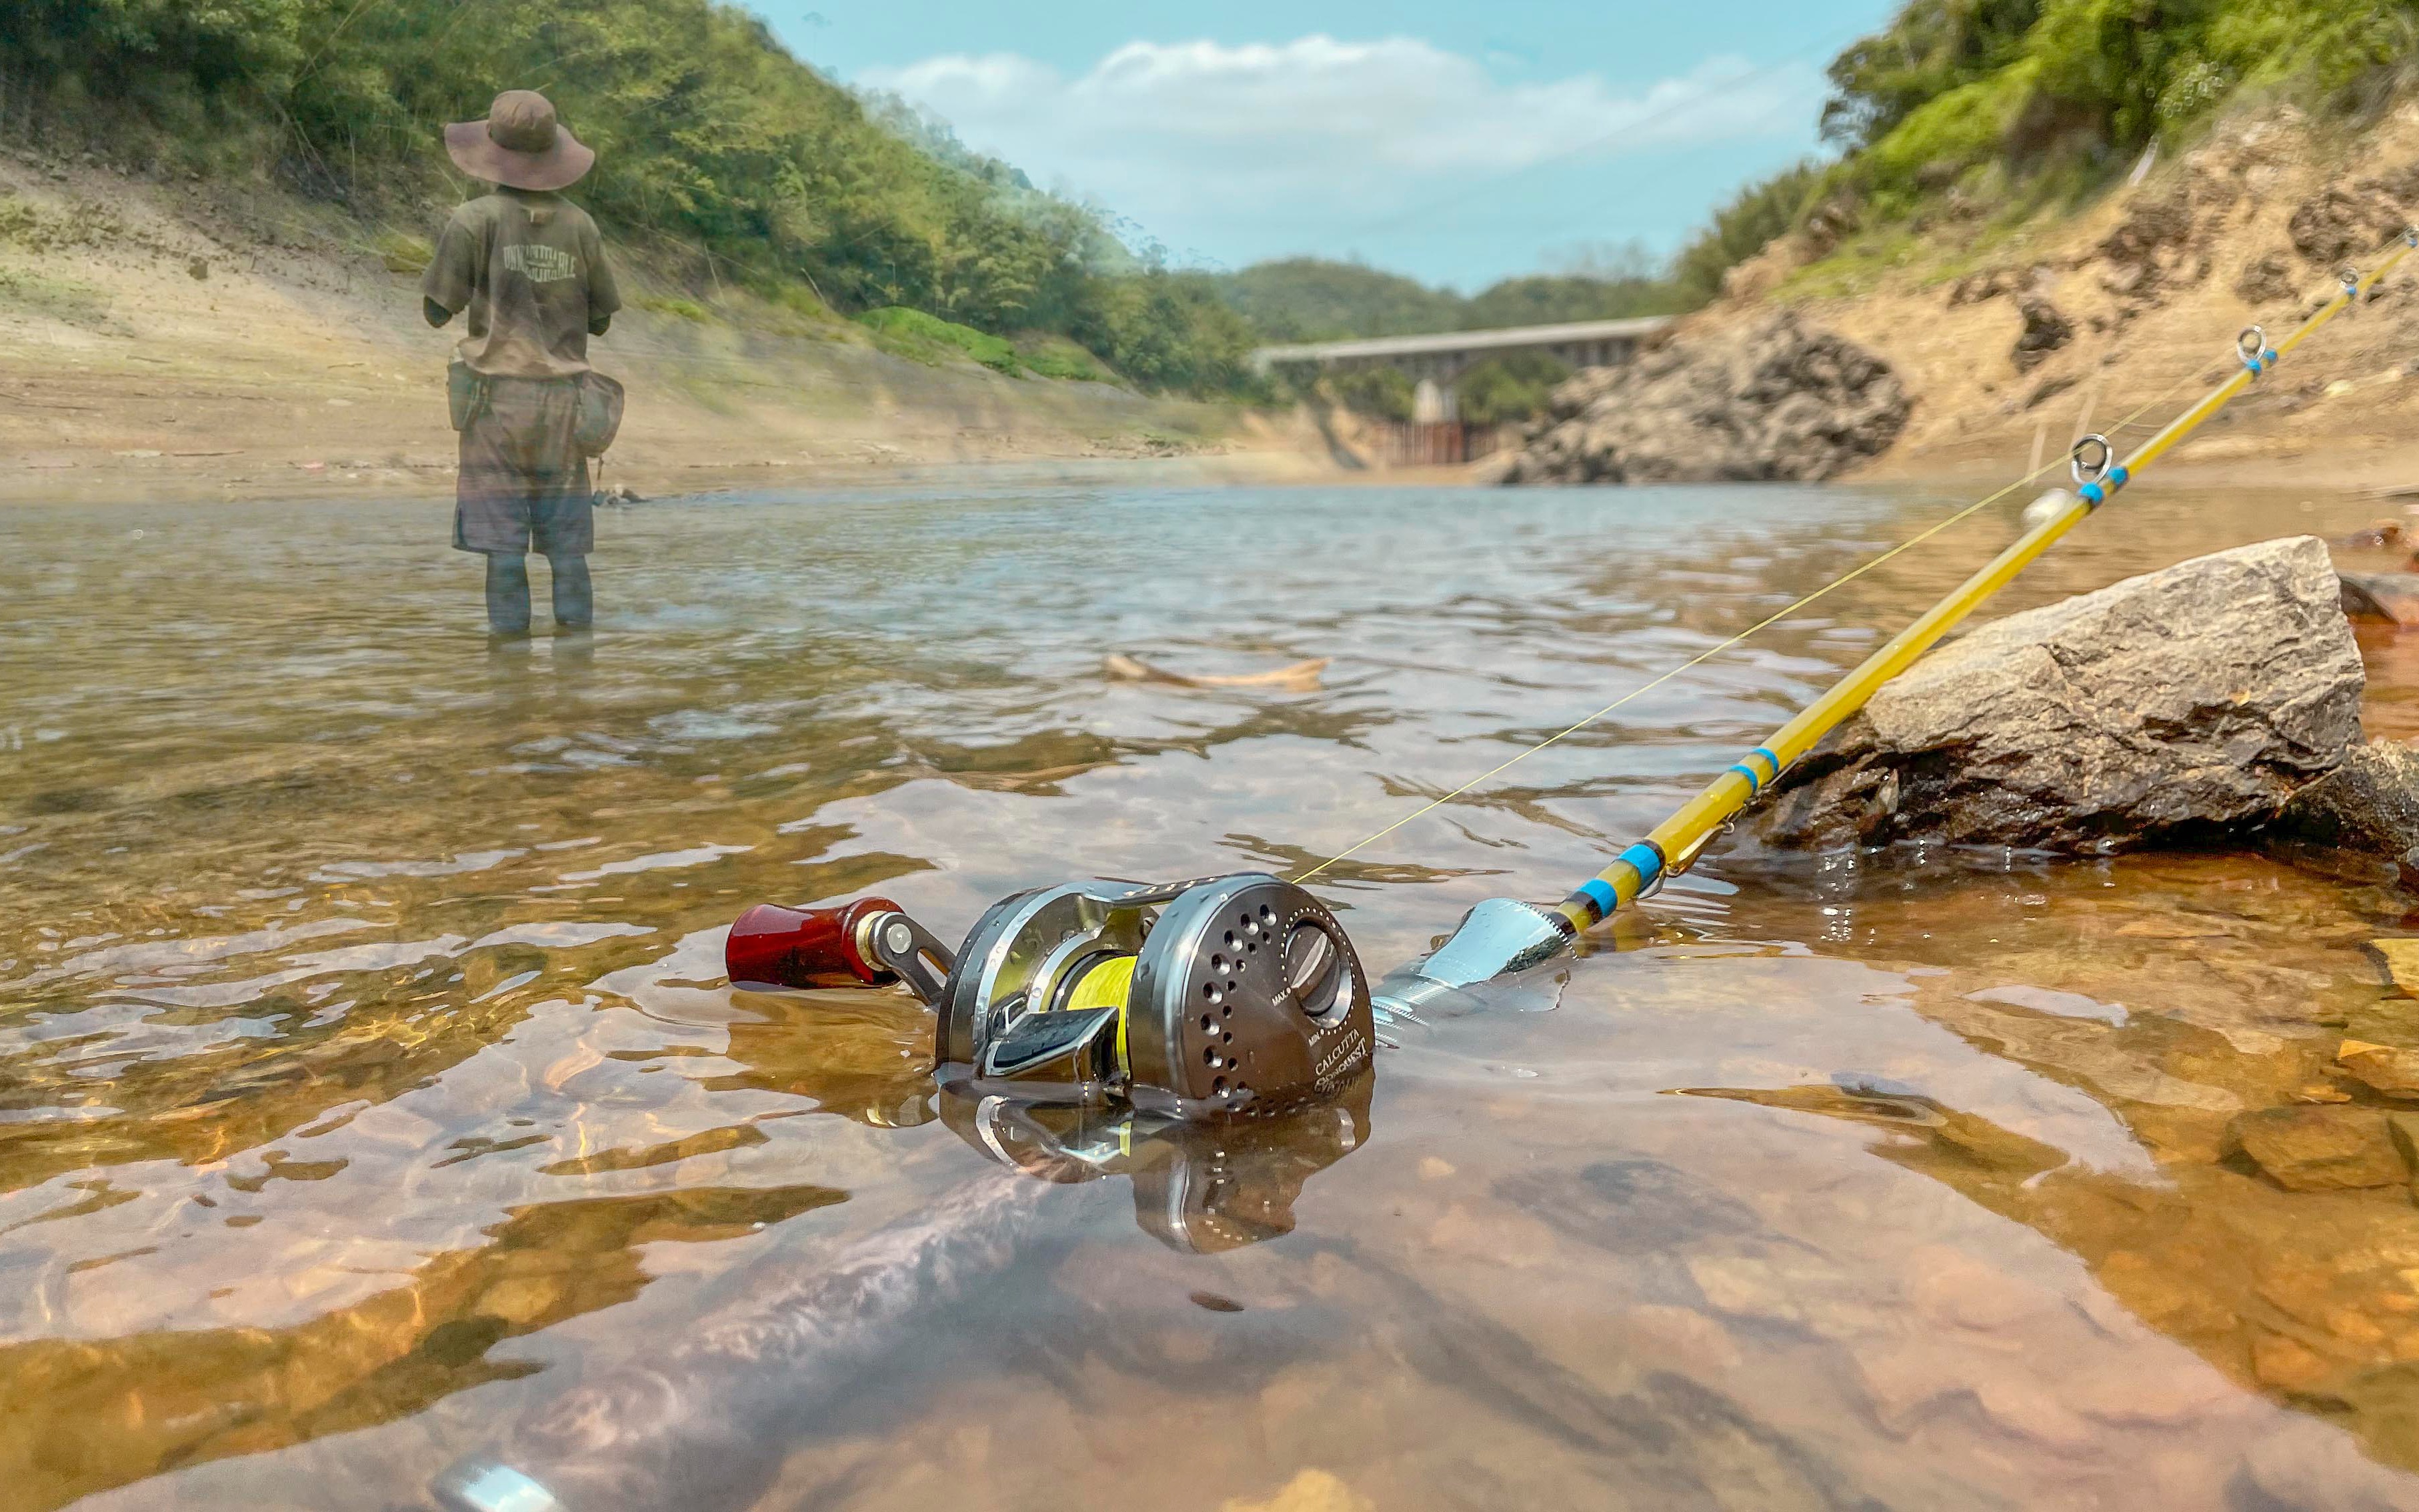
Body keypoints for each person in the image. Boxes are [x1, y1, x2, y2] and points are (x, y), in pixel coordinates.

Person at [422, 89, 621, 638]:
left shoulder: (473, 219)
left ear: (493, 152)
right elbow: (601, 321)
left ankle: (508, 667)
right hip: (566, 409)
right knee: (567, 551)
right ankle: (576, 663)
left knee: (503, 550)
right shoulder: (581, 225)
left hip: (495, 409)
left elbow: (436, 310)